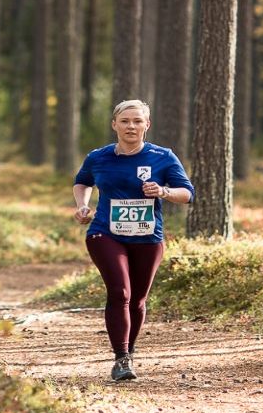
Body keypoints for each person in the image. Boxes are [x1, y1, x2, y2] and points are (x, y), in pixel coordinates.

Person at [71, 99, 194, 382]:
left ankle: (129, 349)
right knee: (120, 292)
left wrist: (163, 191)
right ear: (114, 124)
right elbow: (82, 181)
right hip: (105, 233)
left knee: (137, 300)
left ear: (147, 125)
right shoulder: (98, 157)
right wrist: (82, 205)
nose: (131, 126)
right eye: (125, 121)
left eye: (137, 121)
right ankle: (121, 358)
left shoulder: (162, 157)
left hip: (148, 237)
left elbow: (187, 193)